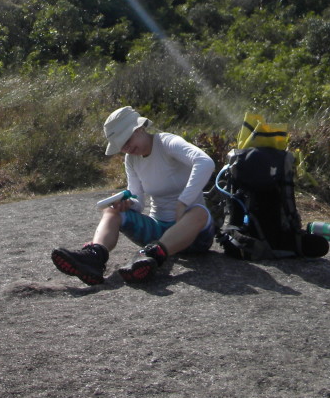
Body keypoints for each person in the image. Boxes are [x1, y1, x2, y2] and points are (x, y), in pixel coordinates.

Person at [51, 106, 216, 285]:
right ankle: (94, 257)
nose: (127, 148)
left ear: (140, 129)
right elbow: (138, 201)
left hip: (194, 235)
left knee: (200, 212)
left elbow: (205, 162)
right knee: (111, 211)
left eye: (127, 140)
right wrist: (127, 203)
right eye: (121, 145)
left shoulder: (168, 142)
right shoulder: (131, 160)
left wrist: (183, 202)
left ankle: (152, 255)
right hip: (158, 232)